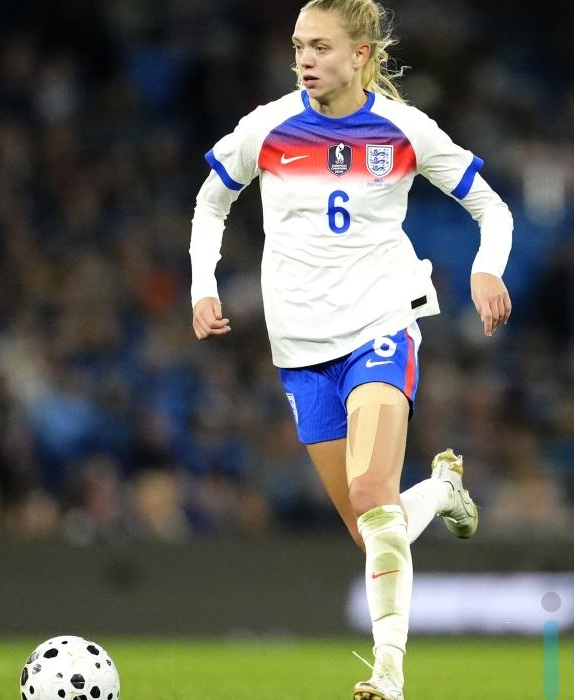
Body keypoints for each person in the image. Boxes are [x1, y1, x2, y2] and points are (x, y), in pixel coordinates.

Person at [189, 0, 512, 697]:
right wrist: (201, 287)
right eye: (298, 46)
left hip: (379, 327)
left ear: (360, 55)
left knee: (371, 494)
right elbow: (212, 201)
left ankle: (387, 674)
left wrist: (487, 269)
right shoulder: (268, 126)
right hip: (301, 350)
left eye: (321, 47)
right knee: (374, 530)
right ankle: (443, 489)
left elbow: (492, 207)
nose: (305, 60)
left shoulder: (404, 129)